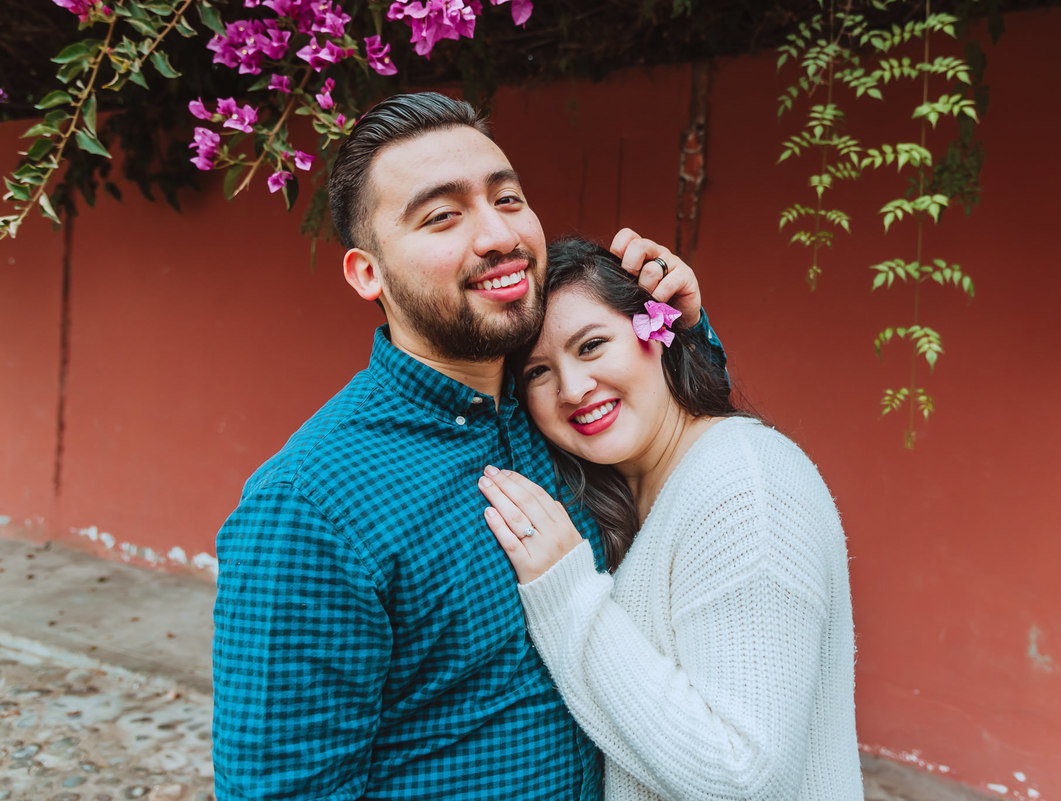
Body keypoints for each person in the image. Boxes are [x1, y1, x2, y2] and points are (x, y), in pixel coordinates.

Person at [210, 93, 724, 800]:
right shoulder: (309, 506)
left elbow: (681, 447)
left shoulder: (552, 401)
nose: (498, 235)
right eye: (443, 215)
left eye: (508, 199)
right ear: (369, 273)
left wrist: (685, 331)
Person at [477, 237, 863, 801]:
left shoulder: (746, 487)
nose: (573, 389)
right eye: (537, 372)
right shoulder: (625, 490)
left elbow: (744, 778)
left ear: (657, 334)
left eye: (591, 346)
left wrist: (567, 596)